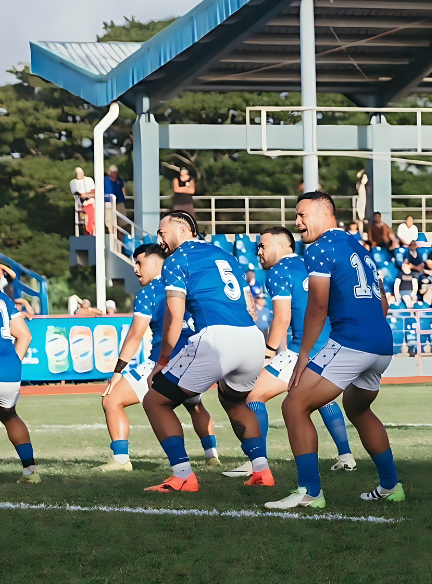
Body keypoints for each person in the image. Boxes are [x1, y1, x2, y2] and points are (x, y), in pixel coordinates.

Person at [267, 191, 401, 509]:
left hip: (352, 341)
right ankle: (391, 486)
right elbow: (382, 303)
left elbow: (317, 307)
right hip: (382, 343)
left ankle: (310, 492)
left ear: (326, 214)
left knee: (293, 405)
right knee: (358, 409)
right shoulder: (361, 248)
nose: (297, 222)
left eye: (303, 215)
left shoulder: (320, 248)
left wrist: (303, 357)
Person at [142, 210, 267, 494]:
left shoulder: (177, 259)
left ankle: (183, 475)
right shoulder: (226, 255)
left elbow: (175, 317)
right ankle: (262, 471)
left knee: (155, 401)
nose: (158, 239)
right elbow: (250, 306)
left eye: (162, 232)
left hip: (217, 337)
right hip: (251, 336)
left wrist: (161, 362)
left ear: (182, 230)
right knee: (235, 402)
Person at [221, 227, 356, 479]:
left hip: (300, 350)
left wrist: (268, 354)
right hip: (327, 347)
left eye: (263, 245)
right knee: (323, 399)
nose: (258, 251)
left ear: (284, 246)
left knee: (253, 395)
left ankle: (256, 462)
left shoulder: (279, 271)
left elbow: (282, 319)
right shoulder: (310, 265)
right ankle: (346, 457)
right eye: (257, 246)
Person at [96, 244, 219, 472]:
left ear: (156, 263)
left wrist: (117, 372)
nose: (135, 268)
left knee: (111, 400)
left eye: (139, 262)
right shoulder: (190, 285)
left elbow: (135, 335)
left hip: (161, 363)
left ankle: (121, 460)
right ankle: (212, 456)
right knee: (194, 405)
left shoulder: (149, 292)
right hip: (191, 360)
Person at [0, 292, 38, 483]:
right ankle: (30, 471)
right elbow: (25, 335)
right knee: (9, 415)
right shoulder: (3, 298)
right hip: (9, 369)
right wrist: (13, 365)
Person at [70, 167, 97, 236]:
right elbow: (78, 194)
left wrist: (87, 194)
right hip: (82, 203)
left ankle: (92, 230)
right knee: (89, 208)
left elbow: (94, 191)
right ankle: (89, 231)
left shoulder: (89, 180)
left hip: (91, 200)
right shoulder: (73, 182)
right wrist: (86, 194)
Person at [104, 165, 127, 232]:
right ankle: (112, 236)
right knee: (110, 221)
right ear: (110, 172)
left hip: (119, 202)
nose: (114, 173)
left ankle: (120, 238)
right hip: (109, 202)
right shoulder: (105, 180)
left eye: (115, 172)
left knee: (122, 222)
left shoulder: (119, 180)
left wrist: (124, 197)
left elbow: (123, 188)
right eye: (113, 172)